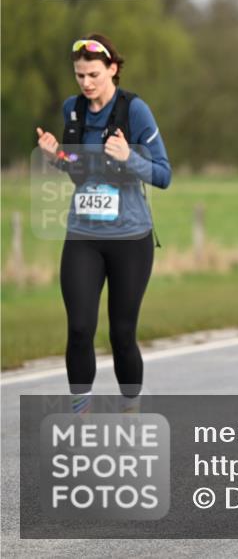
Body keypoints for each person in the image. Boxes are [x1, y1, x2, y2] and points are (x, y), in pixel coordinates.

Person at [35, 34, 172, 414]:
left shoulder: (135, 110)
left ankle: (130, 408)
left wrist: (129, 156)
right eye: (80, 75)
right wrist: (56, 156)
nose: (86, 82)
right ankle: (81, 413)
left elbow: (163, 175)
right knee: (80, 328)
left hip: (130, 239)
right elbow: (79, 171)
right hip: (83, 235)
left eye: (93, 74)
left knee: (122, 333)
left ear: (112, 69)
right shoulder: (72, 109)